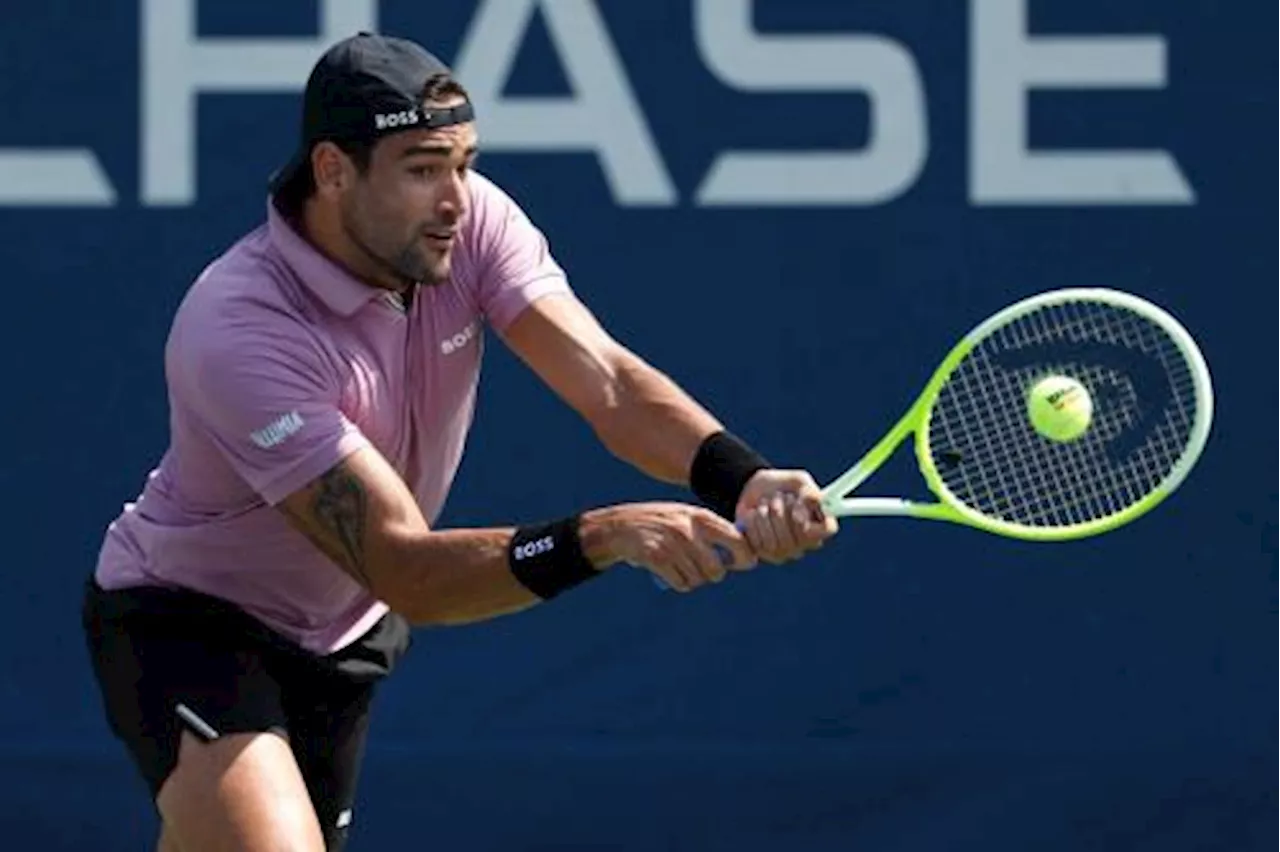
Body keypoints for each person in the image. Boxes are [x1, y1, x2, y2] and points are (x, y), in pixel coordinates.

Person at [81, 31, 838, 852]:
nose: (454, 197)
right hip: (194, 620)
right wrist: (605, 536)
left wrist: (741, 480)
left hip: (343, 636)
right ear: (333, 170)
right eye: (421, 168)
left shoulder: (469, 224)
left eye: (464, 164)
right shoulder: (239, 330)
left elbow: (608, 384)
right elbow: (409, 570)